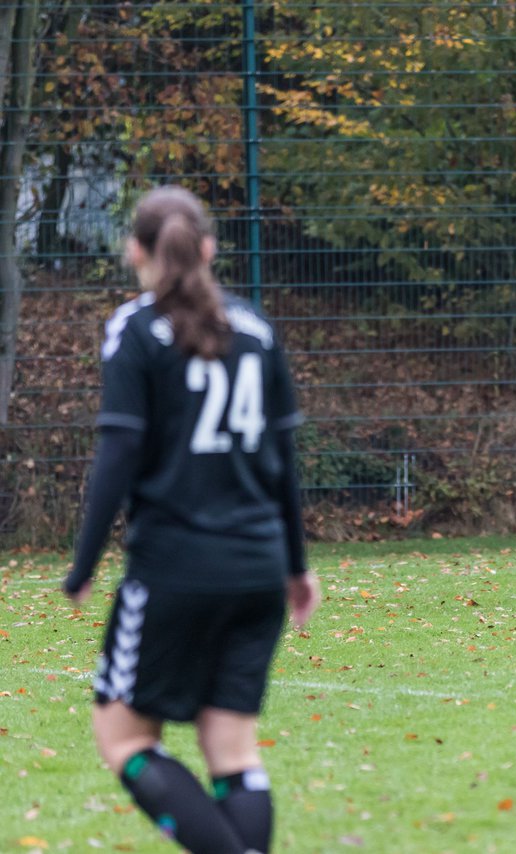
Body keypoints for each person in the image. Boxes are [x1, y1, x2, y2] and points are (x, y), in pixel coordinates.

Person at [62, 186, 319, 853]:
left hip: (175, 569)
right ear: (208, 250)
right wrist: (296, 568)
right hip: (259, 569)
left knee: (123, 738)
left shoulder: (136, 328)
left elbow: (118, 453)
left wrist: (83, 566)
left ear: (136, 251)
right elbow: (282, 463)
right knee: (229, 745)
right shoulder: (257, 330)